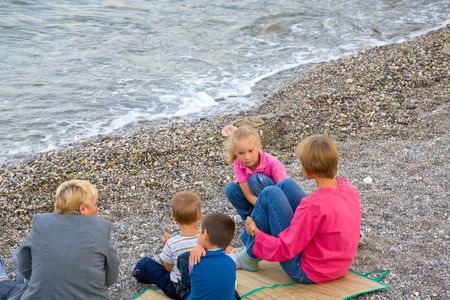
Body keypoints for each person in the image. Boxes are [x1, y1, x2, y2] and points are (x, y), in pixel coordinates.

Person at [242, 135, 362, 283]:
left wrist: (256, 232)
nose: (300, 167)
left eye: (302, 163)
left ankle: (248, 255)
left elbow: (286, 249)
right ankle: (248, 247)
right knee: (286, 184)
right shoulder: (349, 189)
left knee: (269, 193)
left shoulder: (312, 205)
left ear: (310, 169)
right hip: (340, 264)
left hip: (308, 270)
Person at [0, 179, 120, 300]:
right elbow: (111, 276)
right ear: (83, 208)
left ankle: (3, 279)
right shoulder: (101, 229)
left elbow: (24, 265)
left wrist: (43, 280)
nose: (97, 208)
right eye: (95, 204)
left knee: (18, 271)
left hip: (40, 294)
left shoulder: (41, 224)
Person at [132, 191, 201, 299]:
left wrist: (166, 246)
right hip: (201, 287)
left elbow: (168, 268)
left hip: (178, 290)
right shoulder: (207, 240)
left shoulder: (172, 243)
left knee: (144, 264)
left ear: (173, 218)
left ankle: (139, 274)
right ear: (200, 215)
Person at [223, 125, 288, 223]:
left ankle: (267, 213)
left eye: (250, 151)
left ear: (258, 147)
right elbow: (248, 196)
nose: (247, 157)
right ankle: (249, 216)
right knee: (230, 189)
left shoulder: (272, 162)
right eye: (241, 153)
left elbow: (284, 189)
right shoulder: (238, 164)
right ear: (235, 153)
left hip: (274, 197)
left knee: (255, 179)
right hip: (255, 199)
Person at [186, 213, 236, 300]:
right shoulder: (232, 258)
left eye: (200, 231)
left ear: (205, 234)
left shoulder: (193, 259)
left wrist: (199, 246)